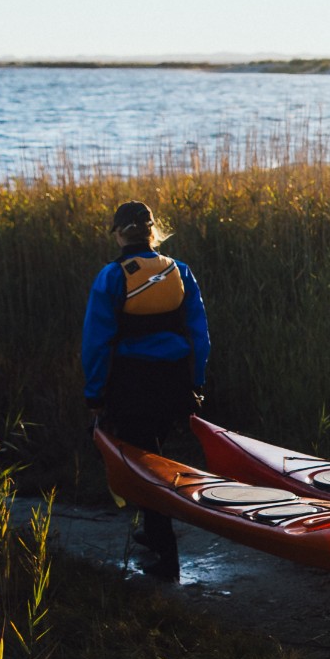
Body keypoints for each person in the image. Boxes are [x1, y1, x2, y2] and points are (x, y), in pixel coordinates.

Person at [82, 199, 210, 582]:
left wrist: (95, 395)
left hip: (132, 385)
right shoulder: (180, 271)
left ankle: (166, 558)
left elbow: (96, 344)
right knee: (152, 455)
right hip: (174, 384)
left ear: (119, 234)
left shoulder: (111, 276)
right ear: (153, 231)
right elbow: (199, 336)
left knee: (145, 466)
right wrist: (197, 382)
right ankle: (153, 531)